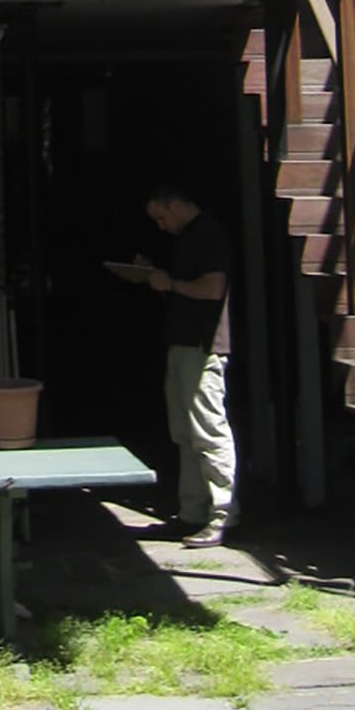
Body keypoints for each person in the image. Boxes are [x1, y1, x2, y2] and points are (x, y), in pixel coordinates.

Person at [135, 176, 236, 545]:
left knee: (208, 429)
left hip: (201, 346)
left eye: (162, 217)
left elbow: (213, 288)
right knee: (185, 433)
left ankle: (223, 512)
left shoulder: (207, 234)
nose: (162, 226)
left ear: (175, 205)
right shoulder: (189, 238)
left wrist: (171, 285)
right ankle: (193, 512)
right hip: (181, 344)